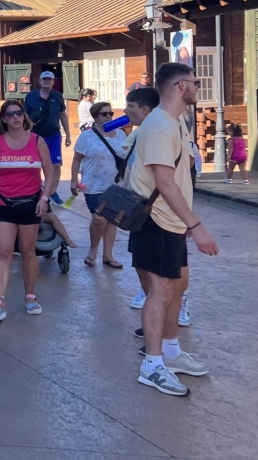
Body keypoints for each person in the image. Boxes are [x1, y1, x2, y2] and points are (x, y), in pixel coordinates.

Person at [127, 63, 217, 397]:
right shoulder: (162, 126)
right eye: (194, 81)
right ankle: (152, 366)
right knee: (161, 291)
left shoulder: (176, 121)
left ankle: (171, 351)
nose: (197, 86)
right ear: (181, 86)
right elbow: (164, 182)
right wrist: (197, 226)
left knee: (178, 286)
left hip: (172, 221)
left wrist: (187, 223)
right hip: (157, 220)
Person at [0, 99, 54, 321]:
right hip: (3, 202)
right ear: (3, 119)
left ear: (24, 116)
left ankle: (30, 296)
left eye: (19, 113)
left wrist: (45, 198)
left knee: (28, 251)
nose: (15, 117)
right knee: (3, 252)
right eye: (10, 114)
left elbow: (50, 173)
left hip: (30, 203)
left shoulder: (37, 141)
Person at [69, 101, 126, 269]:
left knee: (112, 220)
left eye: (110, 114)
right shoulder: (87, 136)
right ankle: (93, 250)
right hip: (93, 185)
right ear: (95, 117)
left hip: (116, 185)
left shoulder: (121, 134)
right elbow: (76, 159)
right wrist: (73, 180)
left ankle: (108, 255)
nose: (108, 116)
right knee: (99, 218)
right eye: (104, 114)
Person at [122, 87, 161, 311]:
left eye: (130, 106)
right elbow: (130, 169)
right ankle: (151, 302)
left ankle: (171, 306)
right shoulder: (140, 132)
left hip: (153, 209)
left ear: (145, 109)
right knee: (140, 260)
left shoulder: (154, 132)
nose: (125, 110)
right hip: (138, 207)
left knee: (159, 264)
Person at [24, 72, 70, 207]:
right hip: (36, 135)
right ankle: (36, 190)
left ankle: (53, 191)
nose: (47, 82)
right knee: (35, 164)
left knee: (56, 165)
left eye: (49, 79)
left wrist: (67, 134)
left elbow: (63, 115)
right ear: (40, 81)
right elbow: (25, 113)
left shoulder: (58, 96)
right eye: (44, 79)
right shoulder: (31, 96)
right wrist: (27, 126)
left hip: (54, 134)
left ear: (53, 81)